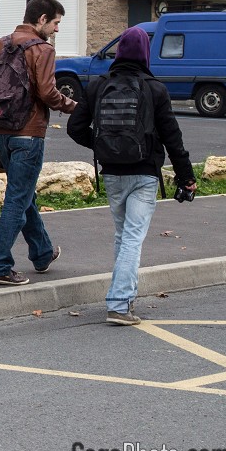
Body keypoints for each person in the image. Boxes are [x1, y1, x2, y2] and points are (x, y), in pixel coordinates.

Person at [67, 26, 196, 325]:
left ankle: (125, 297)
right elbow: (173, 138)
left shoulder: (98, 85)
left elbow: (75, 128)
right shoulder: (155, 89)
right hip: (144, 173)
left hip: (111, 171)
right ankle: (119, 304)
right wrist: (186, 177)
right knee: (133, 239)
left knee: (123, 235)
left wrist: (101, 145)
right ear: (145, 54)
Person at [0, 0, 78, 286]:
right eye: (55, 23)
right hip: (29, 134)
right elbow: (47, 92)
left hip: (1, 133)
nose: (56, 30)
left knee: (23, 193)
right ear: (41, 19)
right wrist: (73, 106)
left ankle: (42, 253)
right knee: (18, 199)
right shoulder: (41, 49)